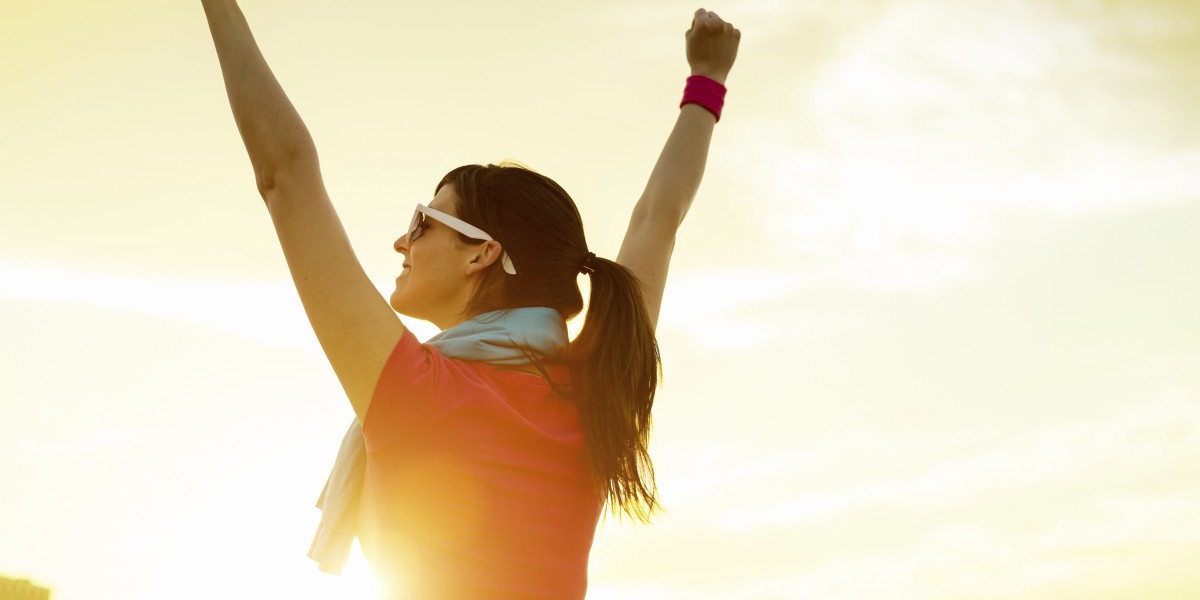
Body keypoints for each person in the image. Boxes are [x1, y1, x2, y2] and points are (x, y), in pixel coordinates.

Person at [201, 2, 740, 598]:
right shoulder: (597, 393)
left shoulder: (418, 392)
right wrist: (708, 81)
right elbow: (656, 225)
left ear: (482, 253)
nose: (402, 241)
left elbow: (285, 175)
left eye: (424, 220)